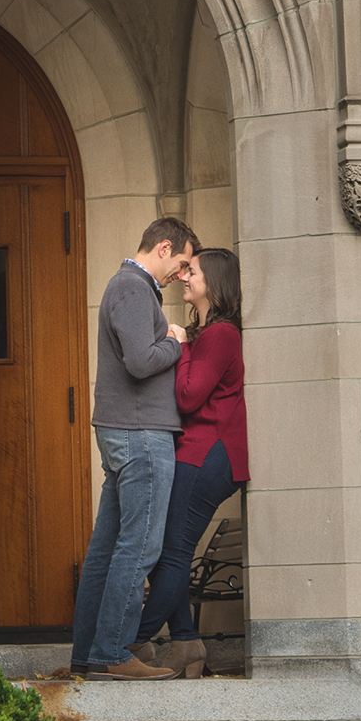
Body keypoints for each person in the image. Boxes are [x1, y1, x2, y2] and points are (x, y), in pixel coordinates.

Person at [70, 216, 200, 681]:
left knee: (107, 549)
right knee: (140, 546)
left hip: (127, 431)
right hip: (139, 433)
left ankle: (88, 657)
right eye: (182, 263)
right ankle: (111, 652)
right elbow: (142, 362)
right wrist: (175, 341)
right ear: (163, 247)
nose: (182, 275)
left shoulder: (134, 288)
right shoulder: (130, 286)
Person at [130, 246, 249, 679]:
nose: (184, 276)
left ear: (214, 284)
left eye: (192, 271)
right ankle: (184, 642)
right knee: (170, 551)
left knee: (174, 551)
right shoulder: (213, 333)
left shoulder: (220, 335)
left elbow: (187, 396)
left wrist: (179, 346)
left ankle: (125, 643)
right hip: (199, 452)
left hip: (207, 454)